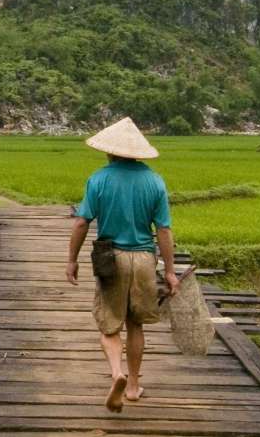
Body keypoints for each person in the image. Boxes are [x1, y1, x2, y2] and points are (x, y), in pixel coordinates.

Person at [65, 117, 178, 413]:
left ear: (109, 151)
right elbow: (164, 230)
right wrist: (169, 270)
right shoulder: (154, 181)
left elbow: (81, 223)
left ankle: (117, 373)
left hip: (110, 257)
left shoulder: (99, 179)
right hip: (143, 258)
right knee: (135, 322)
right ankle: (133, 386)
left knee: (108, 323)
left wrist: (72, 260)